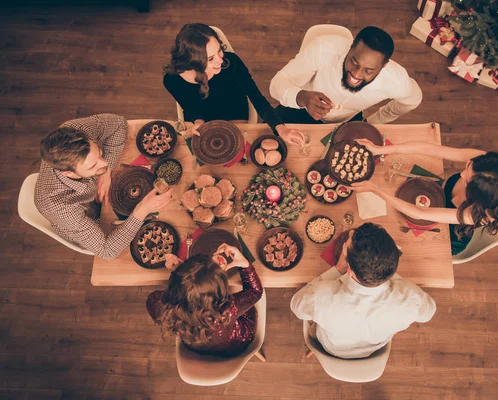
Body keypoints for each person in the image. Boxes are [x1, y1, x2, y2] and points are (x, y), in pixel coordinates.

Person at [34, 114, 173, 259]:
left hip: (97, 195)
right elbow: (108, 251)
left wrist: (105, 174)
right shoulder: (61, 208)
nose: (104, 164)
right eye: (93, 165)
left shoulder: (75, 129)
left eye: (100, 154)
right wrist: (142, 209)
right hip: (89, 221)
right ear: (68, 173)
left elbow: (119, 124)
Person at [351, 140, 498, 255]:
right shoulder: (483, 164)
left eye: (467, 180)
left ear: (477, 196)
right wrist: (382, 149)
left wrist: (377, 191)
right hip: (436, 203)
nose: (462, 173)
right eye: (468, 166)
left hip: (451, 235)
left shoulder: (473, 214)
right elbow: (430, 148)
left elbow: (419, 213)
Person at [290, 223, 436, 359]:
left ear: (350, 270)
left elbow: (297, 307)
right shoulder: (411, 300)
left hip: (331, 347)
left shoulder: (321, 296)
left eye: (346, 245)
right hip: (373, 349)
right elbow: (428, 312)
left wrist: (338, 269)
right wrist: (387, 272)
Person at [163, 23, 305, 146]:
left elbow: (257, 98)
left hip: (234, 112)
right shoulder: (172, 80)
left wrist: (281, 128)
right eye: (211, 58)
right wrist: (198, 122)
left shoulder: (232, 64)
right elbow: (190, 106)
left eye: (219, 50)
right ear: (193, 62)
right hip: (204, 120)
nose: (220, 60)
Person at [270, 26, 422, 124]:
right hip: (300, 107)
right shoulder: (322, 49)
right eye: (354, 62)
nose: (356, 75)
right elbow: (277, 84)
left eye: (368, 71)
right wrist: (301, 97)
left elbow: (413, 99)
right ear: (350, 48)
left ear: (383, 67)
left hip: (345, 123)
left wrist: (375, 121)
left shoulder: (395, 80)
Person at [146, 244, 263, 357]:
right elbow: (255, 292)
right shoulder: (228, 311)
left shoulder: (164, 310)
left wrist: (177, 275)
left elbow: (153, 297)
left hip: (197, 348)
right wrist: (245, 264)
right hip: (238, 342)